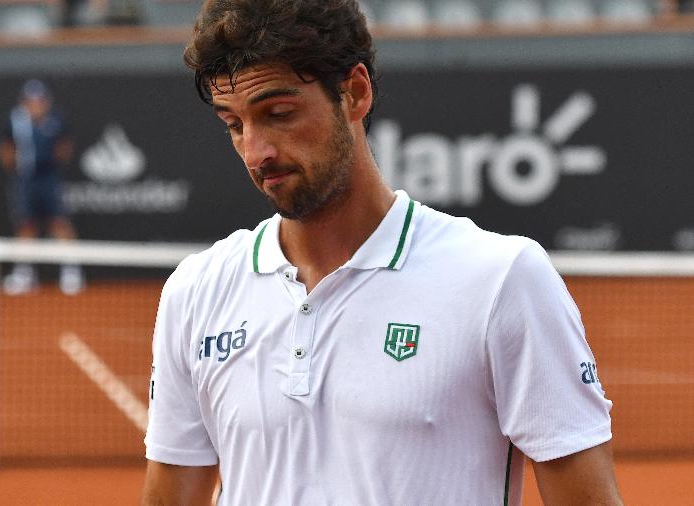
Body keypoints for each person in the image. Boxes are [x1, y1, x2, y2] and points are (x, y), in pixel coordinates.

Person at [142, 1, 623, 505]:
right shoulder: (195, 290)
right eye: (234, 125)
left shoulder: (503, 279)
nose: (255, 151)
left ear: (355, 92)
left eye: (278, 114)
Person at [0, 79, 84, 295]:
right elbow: (5, 148)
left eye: (39, 100)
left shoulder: (56, 119)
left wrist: (52, 163)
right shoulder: (15, 120)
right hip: (25, 179)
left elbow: (65, 146)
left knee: (59, 223)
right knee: (26, 225)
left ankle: (71, 273)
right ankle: (24, 275)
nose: (36, 105)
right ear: (24, 102)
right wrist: (16, 166)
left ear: (46, 101)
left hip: (50, 179)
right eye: (31, 101)